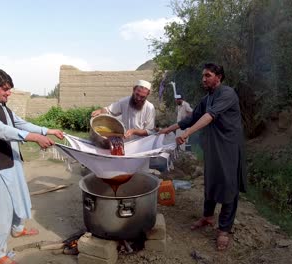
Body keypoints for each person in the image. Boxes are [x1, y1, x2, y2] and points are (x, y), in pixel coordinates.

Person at [0, 69, 64, 264]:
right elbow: (3, 131)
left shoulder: (4, 107)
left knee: (18, 197)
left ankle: (17, 229)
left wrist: (48, 130)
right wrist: (36, 138)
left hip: (12, 161)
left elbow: (21, 124)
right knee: (0, 210)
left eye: (9, 90)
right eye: (5, 89)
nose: (8, 93)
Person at [159, 63, 246, 251]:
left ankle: (224, 229)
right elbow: (191, 117)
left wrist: (187, 133)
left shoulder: (227, 94)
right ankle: (207, 216)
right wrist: (169, 129)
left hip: (229, 147)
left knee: (228, 185)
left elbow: (209, 117)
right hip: (213, 147)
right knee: (211, 180)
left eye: (207, 75)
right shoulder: (207, 98)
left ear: (219, 77)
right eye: (203, 76)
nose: (204, 79)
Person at [91, 80, 155, 140]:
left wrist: (134, 131)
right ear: (133, 90)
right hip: (124, 140)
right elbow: (108, 110)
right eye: (137, 94)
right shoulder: (125, 101)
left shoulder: (150, 108)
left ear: (147, 94)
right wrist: (100, 111)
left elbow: (149, 131)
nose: (138, 98)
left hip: (140, 143)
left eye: (142, 97)